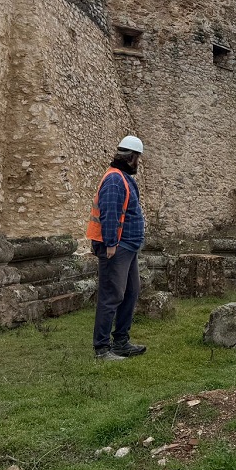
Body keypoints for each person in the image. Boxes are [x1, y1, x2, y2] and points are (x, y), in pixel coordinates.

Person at [86, 135, 149, 361]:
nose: (138, 162)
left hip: (128, 246)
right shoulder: (114, 180)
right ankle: (102, 349)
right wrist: (111, 243)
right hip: (117, 246)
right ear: (131, 157)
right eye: (138, 158)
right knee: (111, 295)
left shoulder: (123, 177)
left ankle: (121, 341)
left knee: (130, 293)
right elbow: (110, 212)